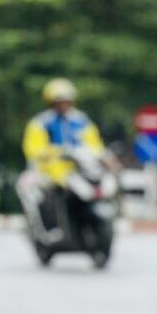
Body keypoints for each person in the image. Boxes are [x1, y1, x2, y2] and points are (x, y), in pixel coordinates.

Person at [18, 78, 106, 242]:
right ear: (52, 102)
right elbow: (33, 148)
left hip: (79, 170)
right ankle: (48, 228)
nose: (64, 105)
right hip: (51, 171)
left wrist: (100, 156)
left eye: (67, 101)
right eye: (60, 102)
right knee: (34, 191)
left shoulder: (81, 121)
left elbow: (95, 145)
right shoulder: (41, 123)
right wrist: (49, 153)